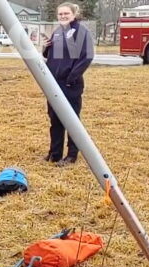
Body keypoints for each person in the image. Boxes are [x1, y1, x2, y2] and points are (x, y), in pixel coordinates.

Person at [43, 2, 94, 167]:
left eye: (66, 14)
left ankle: (72, 155)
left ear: (74, 14)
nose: (63, 16)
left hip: (70, 85)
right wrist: (45, 48)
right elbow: (50, 55)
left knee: (71, 120)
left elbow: (86, 57)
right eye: (60, 14)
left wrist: (71, 78)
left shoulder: (81, 32)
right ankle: (55, 153)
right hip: (53, 84)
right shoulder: (57, 32)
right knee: (55, 119)